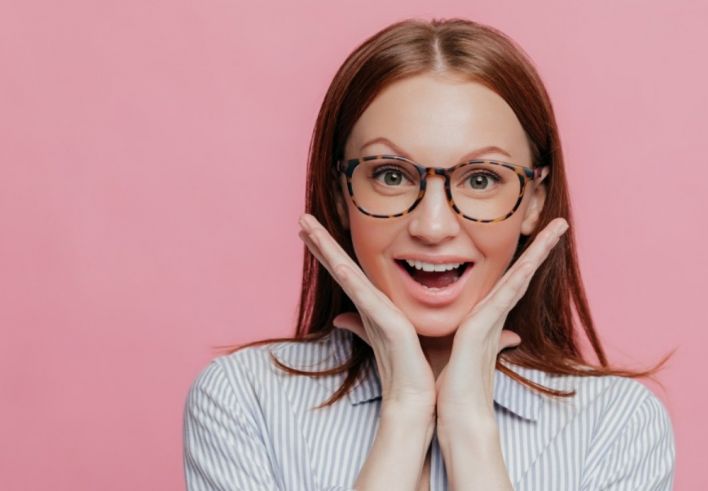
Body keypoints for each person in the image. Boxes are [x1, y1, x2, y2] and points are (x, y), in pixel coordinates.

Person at [183, 17, 676, 491]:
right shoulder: (244, 400)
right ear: (339, 192)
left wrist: (468, 428)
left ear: (534, 202)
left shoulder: (616, 423)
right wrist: (405, 411)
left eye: (481, 179)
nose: (433, 227)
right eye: (391, 175)